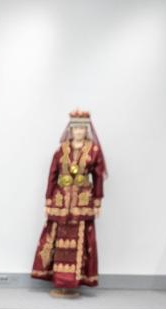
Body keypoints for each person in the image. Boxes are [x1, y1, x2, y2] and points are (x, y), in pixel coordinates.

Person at [30, 110, 106, 294]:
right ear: (70, 129)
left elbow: (98, 177)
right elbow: (52, 175)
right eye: (75, 128)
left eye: (82, 128)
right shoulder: (61, 150)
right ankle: (59, 281)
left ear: (87, 130)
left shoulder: (94, 151)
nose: (78, 131)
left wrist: (97, 201)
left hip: (82, 201)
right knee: (57, 238)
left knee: (81, 239)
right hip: (61, 201)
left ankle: (73, 282)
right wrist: (48, 200)